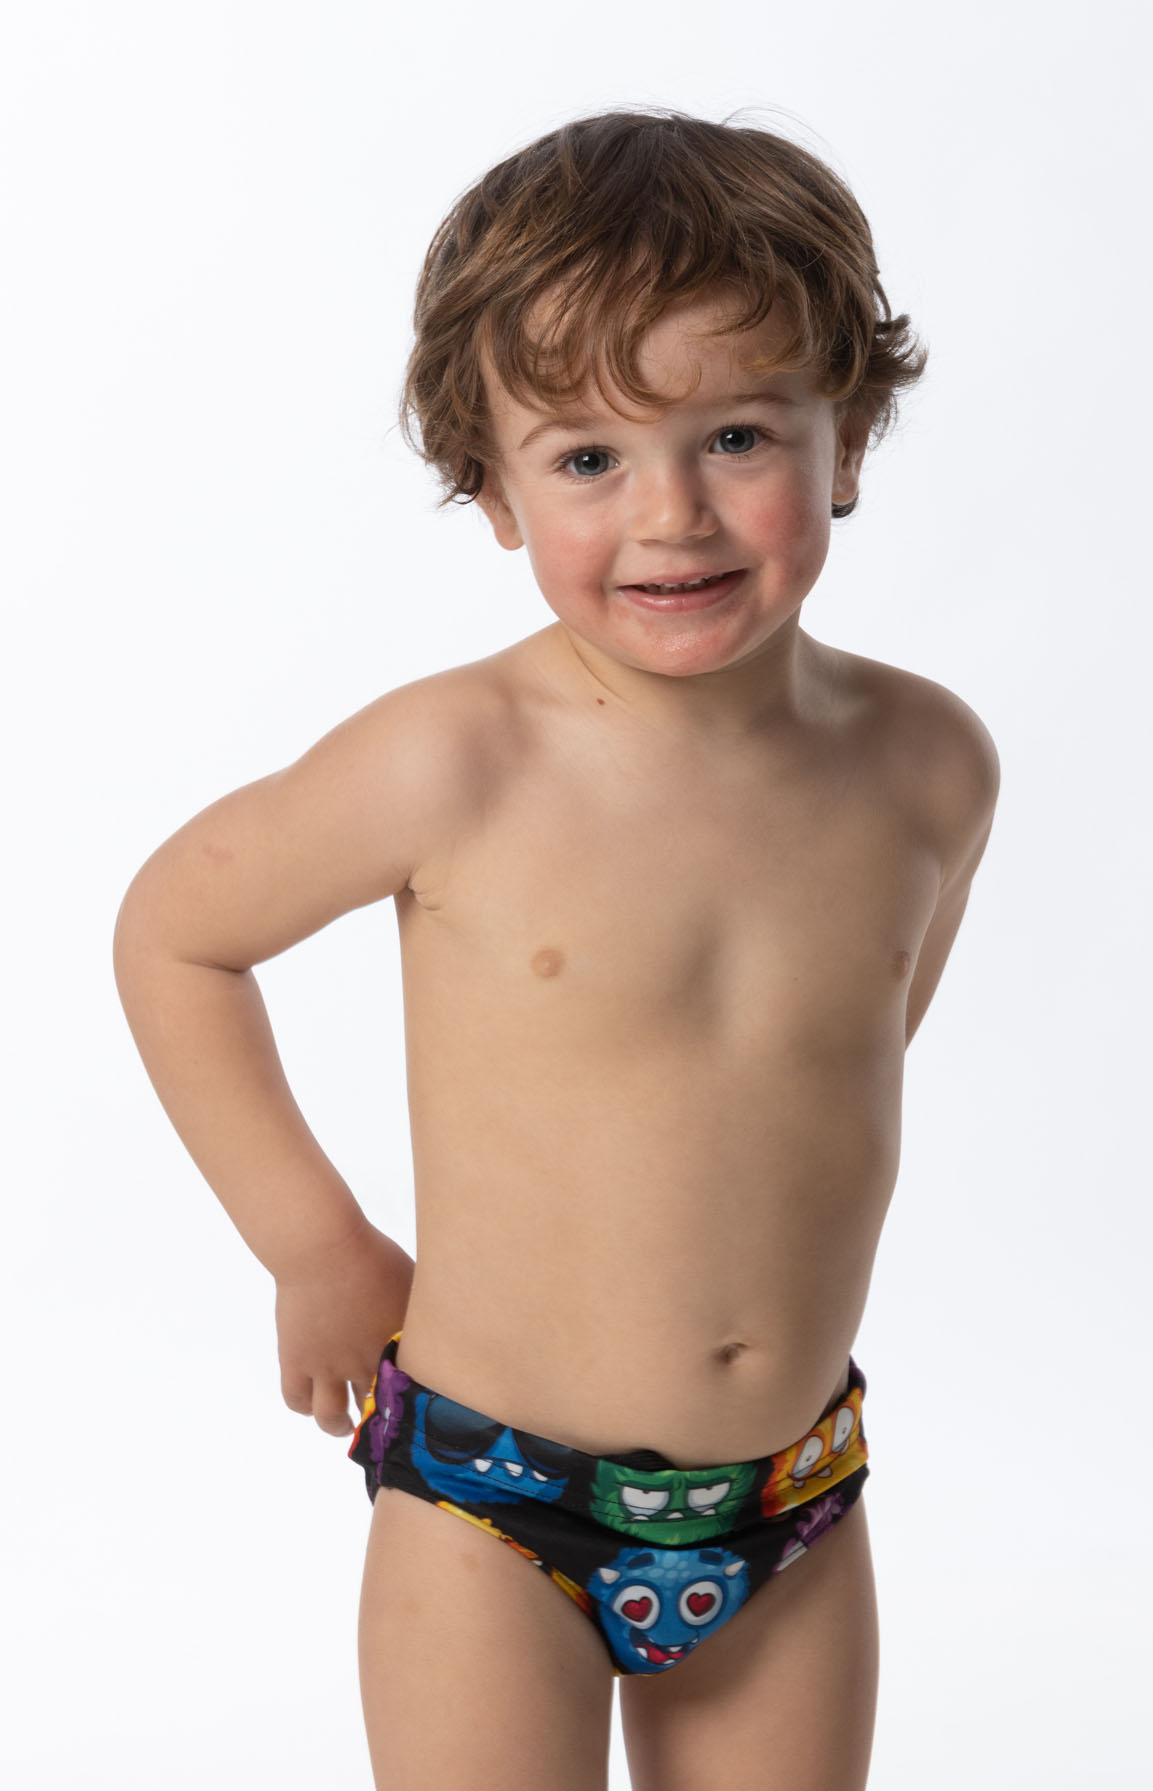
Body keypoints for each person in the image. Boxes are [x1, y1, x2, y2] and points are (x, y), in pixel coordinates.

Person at [113, 107, 1000, 1791]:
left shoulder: (927, 765)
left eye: (736, 435)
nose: (672, 513)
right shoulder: (453, 761)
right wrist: (313, 1246)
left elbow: (840, 1058)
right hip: (491, 1502)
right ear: (493, 492)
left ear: (848, 441)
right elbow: (175, 933)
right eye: (587, 459)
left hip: (789, 1496)